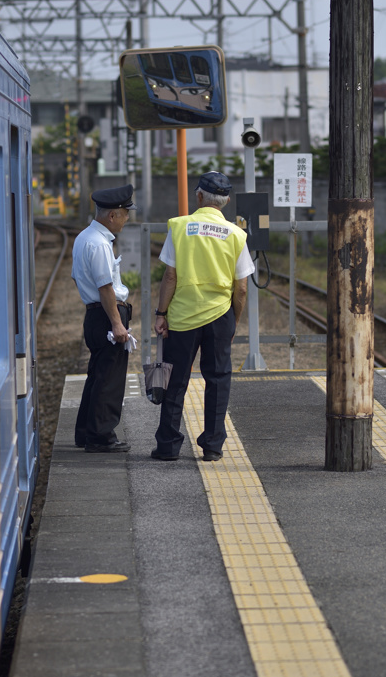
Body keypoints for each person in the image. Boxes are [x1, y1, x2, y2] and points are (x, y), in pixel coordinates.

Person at [152, 171, 255, 462]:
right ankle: (212, 446)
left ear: (199, 196)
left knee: (176, 381)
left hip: (183, 316)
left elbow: (170, 276)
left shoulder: (180, 227)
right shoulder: (237, 234)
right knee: (218, 379)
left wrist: (161, 313)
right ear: (225, 201)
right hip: (220, 316)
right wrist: (233, 320)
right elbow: (242, 288)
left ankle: (168, 446)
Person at [72, 184, 136, 453]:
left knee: (97, 375)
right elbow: (105, 287)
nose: (128, 218)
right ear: (112, 215)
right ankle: (100, 436)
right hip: (105, 315)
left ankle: (86, 432)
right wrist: (117, 324)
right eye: (125, 213)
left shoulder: (85, 237)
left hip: (96, 315)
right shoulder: (99, 244)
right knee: (109, 378)